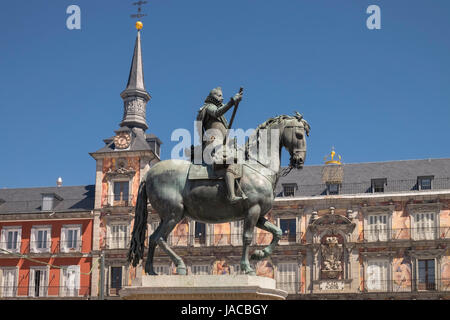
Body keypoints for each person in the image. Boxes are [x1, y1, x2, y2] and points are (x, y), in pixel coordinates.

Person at [196, 87, 245, 203]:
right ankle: (231, 195)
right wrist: (232, 102)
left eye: (222, 96)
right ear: (213, 97)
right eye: (219, 96)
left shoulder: (219, 112)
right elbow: (217, 112)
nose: (222, 98)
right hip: (213, 142)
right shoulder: (208, 107)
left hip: (223, 142)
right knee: (229, 161)